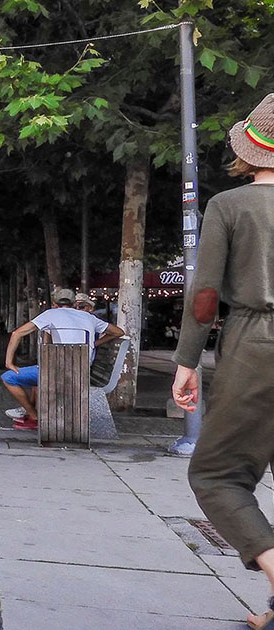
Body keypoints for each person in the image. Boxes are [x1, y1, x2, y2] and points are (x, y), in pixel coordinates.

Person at [171, 94, 274, 630]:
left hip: (255, 344)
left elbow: (205, 294)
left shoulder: (230, 205)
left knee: (216, 474)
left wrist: (187, 360)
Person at [1, 288, 124, 430]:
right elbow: (119, 332)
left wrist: (9, 362)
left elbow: (17, 333)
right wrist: (94, 343)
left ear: (54, 303)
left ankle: (34, 416)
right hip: (82, 373)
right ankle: (31, 414)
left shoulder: (50, 314)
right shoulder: (89, 318)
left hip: (55, 372)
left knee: (8, 377)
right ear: (75, 304)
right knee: (39, 379)